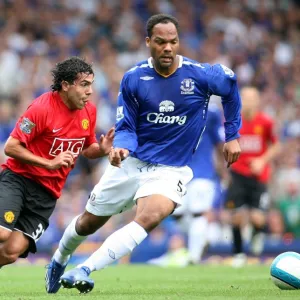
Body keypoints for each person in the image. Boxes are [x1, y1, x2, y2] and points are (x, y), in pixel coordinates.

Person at [46, 14, 242, 294]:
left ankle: (85, 268)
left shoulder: (199, 75)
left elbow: (231, 86)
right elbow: (126, 126)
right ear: (148, 42)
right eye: (160, 42)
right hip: (132, 162)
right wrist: (120, 148)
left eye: (173, 42)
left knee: (150, 216)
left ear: (178, 42)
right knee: (88, 222)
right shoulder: (134, 78)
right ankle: (58, 261)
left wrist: (233, 135)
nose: (167, 48)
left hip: (171, 169)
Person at [0, 57, 114, 268]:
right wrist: (49, 163)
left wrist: (102, 150)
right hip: (19, 180)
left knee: (10, 252)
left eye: (91, 85)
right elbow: (11, 147)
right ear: (65, 85)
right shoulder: (42, 108)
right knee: (2, 233)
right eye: (84, 85)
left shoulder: (89, 111)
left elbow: (87, 148)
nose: (90, 91)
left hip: (47, 194)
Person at [224, 86, 281, 267]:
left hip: (258, 177)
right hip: (238, 175)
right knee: (236, 217)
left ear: (257, 101)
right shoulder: (234, 122)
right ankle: (238, 254)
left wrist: (262, 161)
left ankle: (258, 234)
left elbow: (276, 145)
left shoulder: (265, 122)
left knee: (257, 218)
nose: (247, 102)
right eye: (244, 98)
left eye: (251, 98)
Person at [172, 103, 228, 264]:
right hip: (178, 172)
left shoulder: (211, 111)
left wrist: (222, 170)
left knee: (198, 214)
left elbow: (219, 143)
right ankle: (205, 236)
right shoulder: (176, 104)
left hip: (202, 173)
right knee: (178, 216)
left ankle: (193, 257)